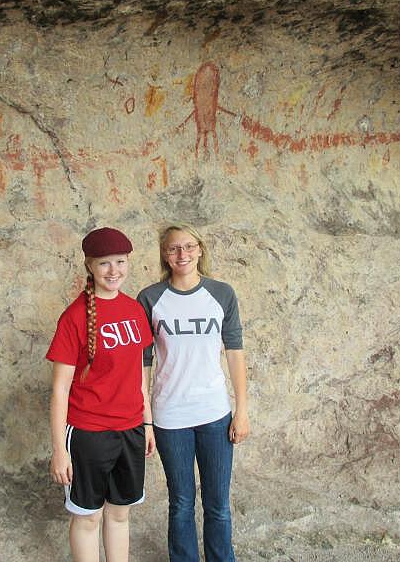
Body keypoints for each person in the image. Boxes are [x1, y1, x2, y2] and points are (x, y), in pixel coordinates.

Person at [137, 223, 250, 562]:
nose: (181, 254)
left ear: (200, 249)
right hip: (170, 415)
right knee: (182, 502)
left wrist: (241, 409)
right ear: (165, 255)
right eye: (173, 249)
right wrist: (147, 421)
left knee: (217, 503)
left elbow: (235, 352)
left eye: (188, 247)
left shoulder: (222, 293)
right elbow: (143, 364)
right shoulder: (150, 298)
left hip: (215, 414)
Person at [47, 227, 156, 562]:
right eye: (105, 263)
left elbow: (138, 375)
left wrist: (147, 424)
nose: (114, 271)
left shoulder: (134, 310)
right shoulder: (74, 317)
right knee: (88, 517)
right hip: (88, 434)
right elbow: (60, 387)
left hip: (130, 430)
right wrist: (58, 451)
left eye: (120, 262)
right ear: (89, 265)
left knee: (120, 514)